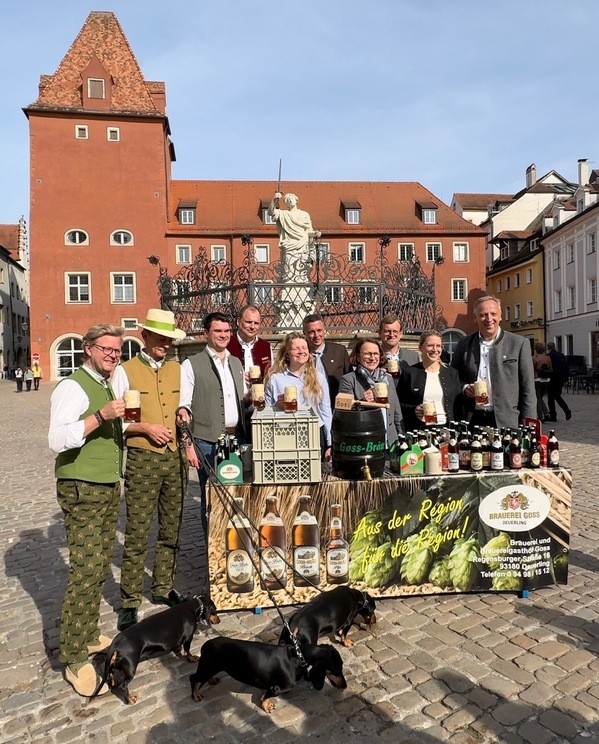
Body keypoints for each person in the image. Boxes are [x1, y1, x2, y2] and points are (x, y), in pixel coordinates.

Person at [48, 324, 125, 697]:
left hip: (105, 484)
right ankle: (74, 656)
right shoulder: (72, 386)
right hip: (82, 487)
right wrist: (101, 416)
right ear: (88, 349)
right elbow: (56, 439)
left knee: (99, 565)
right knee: (86, 570)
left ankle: (89, 632)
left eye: (117, 350)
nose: (113, 355)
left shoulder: (105, 383)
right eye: (106, 349)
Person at [111, 309, 188, 632]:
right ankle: (129, 600)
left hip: (175, 458)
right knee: (138, 531)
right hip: (143, 459)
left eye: (169, 339)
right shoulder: (125, 371)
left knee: (171, 528)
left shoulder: (177, 369)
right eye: (160, 338)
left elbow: (184, 406)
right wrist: (145, 427)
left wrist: (184, 417)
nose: (165, 344)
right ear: (145, 336)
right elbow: (117, 420)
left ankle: (162, 586)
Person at [180, 312, 250, 533]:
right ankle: (212, 545)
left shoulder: (236, 362)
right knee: (211, 495)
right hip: (206, 439)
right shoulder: (191, 364)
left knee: (236, 493)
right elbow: (183, 408)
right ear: (206, 333)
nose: (223, 335)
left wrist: (256, 395)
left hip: (235, 438)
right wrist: (188, 445)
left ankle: (234, 541)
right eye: (218, 331)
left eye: (227, 331)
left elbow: (242, 400)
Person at [451, 295, 536, 429]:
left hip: (507, 420)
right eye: (483, 315)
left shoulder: (519, 343)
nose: (489, 319)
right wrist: (465, 388)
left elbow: (528, 389)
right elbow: (453, 378)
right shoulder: (464, 344)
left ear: (500, 316)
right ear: (475, 318)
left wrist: (529, 425)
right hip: (472, 418)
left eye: (493, 314)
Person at [264, 332, 332, 459]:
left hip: (314, 433)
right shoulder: (275, 379)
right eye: (296, 348)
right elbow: (265, 414)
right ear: (287, 353)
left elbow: (326, 411)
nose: (301, 351)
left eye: (304, 348)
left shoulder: (319, 378)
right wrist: (277, 406)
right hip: (286, 434)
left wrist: (330, 443)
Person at [338, 338, 403, 446]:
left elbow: (396, 410)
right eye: (367, 354)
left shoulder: (387, 378)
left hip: (390, 440)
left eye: (376, 354)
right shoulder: (348, 380)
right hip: (365, 441)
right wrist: (362, 402)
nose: (372, 358)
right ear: (358, 356)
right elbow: (343, 413)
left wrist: (401, 434)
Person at [397, 331, 462, 432]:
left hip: (447, 429)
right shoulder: (409, 373)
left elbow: (458, 404)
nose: (435, 349)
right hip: (419, 429)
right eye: (430, 345)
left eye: (438, 346)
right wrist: (414, 410)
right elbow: (398, 404)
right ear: (420, 347)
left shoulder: (452, 373)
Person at [227, 305, 273, 438]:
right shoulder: (227, 345)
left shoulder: (266, 347)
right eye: (248, 322)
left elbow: (271, 376)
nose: (252, 327)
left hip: (259, 410)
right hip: (235, 410)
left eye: (256, 323)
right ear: (238, 322)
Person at [302, 313, 352, 409]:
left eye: (319, 330)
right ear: (304, 333)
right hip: (308, 406)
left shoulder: (339, 351)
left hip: (335, 406)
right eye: (311, 332)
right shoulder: (301, 354)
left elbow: (350, 378)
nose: (316, 335)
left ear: (325, 330)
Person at [378, 314, 419, 379]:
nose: (391, 335)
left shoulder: (413, 356)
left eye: (395, 331)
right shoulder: (373, 356)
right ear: (379, 333)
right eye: (387, 331)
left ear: (401, 334)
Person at [546, 342, 572, 421]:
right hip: (561, 378)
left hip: (553, 378)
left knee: (551, 398)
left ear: (548, 347)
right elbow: (566, 367)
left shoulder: (549, 356)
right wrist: (566, 378)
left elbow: (548, 368)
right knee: (557, 396)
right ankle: (566, 410)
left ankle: (553, 416)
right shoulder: (561, 355)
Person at [532, 342, 552, 422]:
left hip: (537, 379)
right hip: (546, 380)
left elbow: (531, 369)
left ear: (536, 349)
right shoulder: (547, 357)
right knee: (540, 397)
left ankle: (540, 416)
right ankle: (546, 413)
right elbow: (550, 368)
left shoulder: (534, 358)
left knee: (537, 398)